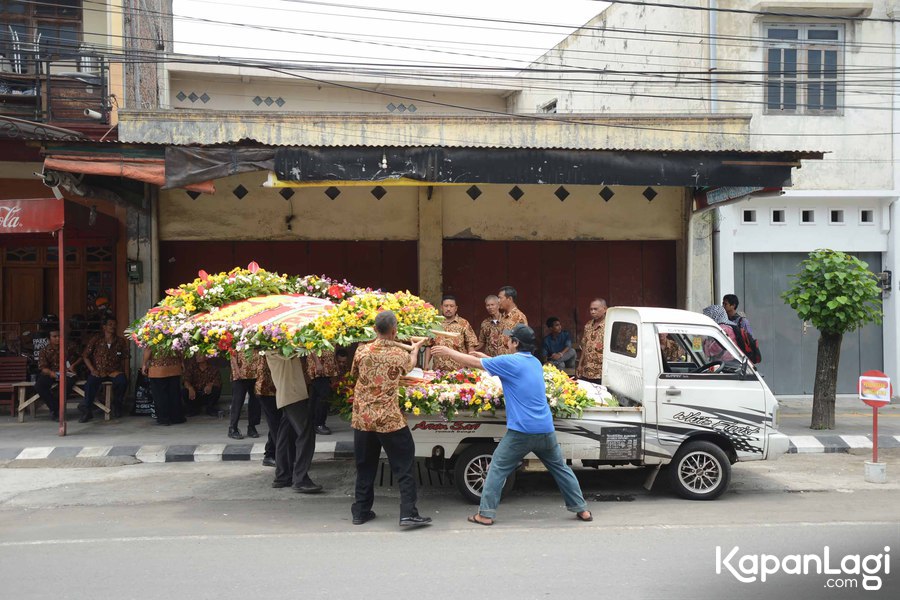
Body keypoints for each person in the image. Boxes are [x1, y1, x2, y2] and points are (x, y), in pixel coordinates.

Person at [431, 324, 592, 526]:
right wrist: (486, 358)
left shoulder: (511, 361)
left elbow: (474, 363)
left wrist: (447, 351)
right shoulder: (534, 362)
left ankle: (486, 514)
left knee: (497, 467)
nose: (507, 341)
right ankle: (582, 509)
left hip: (522, 431)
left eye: (509, 339)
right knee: (560, 469)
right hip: (545, 428)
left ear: (515, 343)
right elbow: (497, 364)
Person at [350, 311, 431, 528]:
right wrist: (416, 348)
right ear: (394, 331)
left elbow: (355, 374)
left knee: (365, 466)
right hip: (389, 419)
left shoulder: (361, 351)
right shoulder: (397, 354)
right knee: (404, 466)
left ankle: (361, 511)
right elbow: (411, 364)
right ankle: (408, 513)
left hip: (363, 418)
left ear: (375, 329)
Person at [266, 352, 322, 493]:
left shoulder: (277, 345)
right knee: (306, 433)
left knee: (285, 435)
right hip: (291, 395)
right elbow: (291, 351)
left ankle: (283, 476)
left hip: (291, 394)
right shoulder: (275, 348)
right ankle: (300, 479)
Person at [81, 318, 130, 422]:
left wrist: (126, 373)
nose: (112, 326)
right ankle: (87, 410)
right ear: (104, 327)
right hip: (99, 371)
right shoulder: (96, 340)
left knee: (122, 381)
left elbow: (126, 358)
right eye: (110, 324)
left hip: (114, 371)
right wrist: (92, 369)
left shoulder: (120, 341)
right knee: (90, 384)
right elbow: (85, 356)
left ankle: (117, 405)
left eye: (114, 324)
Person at [34, 329, 79, 420]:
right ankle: (56, 408)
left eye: (59, 336)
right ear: (48, 338)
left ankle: (56, 411)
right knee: (39, 386)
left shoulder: (70, 347)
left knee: (67, 384)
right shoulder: (44, 350)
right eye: (54, 336)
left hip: (67, 372)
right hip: (51, 373)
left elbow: (82, 356)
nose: (58, 338)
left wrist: (73, 365)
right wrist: (52, 373)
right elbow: (43, 367)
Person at [427, 295, 477, 372]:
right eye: (446, 306)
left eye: (451, 306)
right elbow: (429, 345)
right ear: (441, 307)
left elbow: (471, 345)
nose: (448, 309)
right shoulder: (435, 324)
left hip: (459, 371)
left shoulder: (464, 324)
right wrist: (426, 365)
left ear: (456, 308)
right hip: (438, 371)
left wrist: (472, 366)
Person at [142, 348, 186, 426]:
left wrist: (144, 364)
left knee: (159, 395)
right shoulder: (175, 335)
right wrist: (182, 361)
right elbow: (180, 348)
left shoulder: (151, 335)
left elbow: (148, 349)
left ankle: (164, 419)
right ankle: (176, 418)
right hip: (174, 367)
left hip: (158, 369)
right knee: (174, 394)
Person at [228, 350, 261, 440]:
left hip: (256, 371)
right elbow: (231, 352)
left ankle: (252, 427)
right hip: (240, 371)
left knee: (255, 400)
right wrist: (236, 368)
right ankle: (233, 427)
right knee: (238, 400)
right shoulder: (235, 336)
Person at [254, 354, 279, 468]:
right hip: (267, 391)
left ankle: (270, 453)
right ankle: (276, 456)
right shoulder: (266, 351)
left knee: (276, 424)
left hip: (275, 390)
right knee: (275, 425)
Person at [306, 349, 339, 435]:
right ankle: (319, 423)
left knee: (315, 396)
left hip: (327, 366)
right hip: (320, 366)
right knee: (323, 396)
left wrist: (334, 363)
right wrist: (317, 362)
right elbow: (311, 346)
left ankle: (311, 424)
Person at [576, 298, 607, 384]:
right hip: (587, 371)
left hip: (601, 372)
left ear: (605, 309)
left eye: (595, 309)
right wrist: (580, 365)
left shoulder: (609, 325)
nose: (592, 312)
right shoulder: (588, 325)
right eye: (591, 309)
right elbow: (584, 346)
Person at [497, 286, 527, 355]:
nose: (498, 301)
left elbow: (522, 340)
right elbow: (508, 333)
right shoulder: (503, 316)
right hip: (502, 360)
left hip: (512, 361)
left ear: (509, 299)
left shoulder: (519, 317)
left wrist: (507, 333)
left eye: (500, 298)